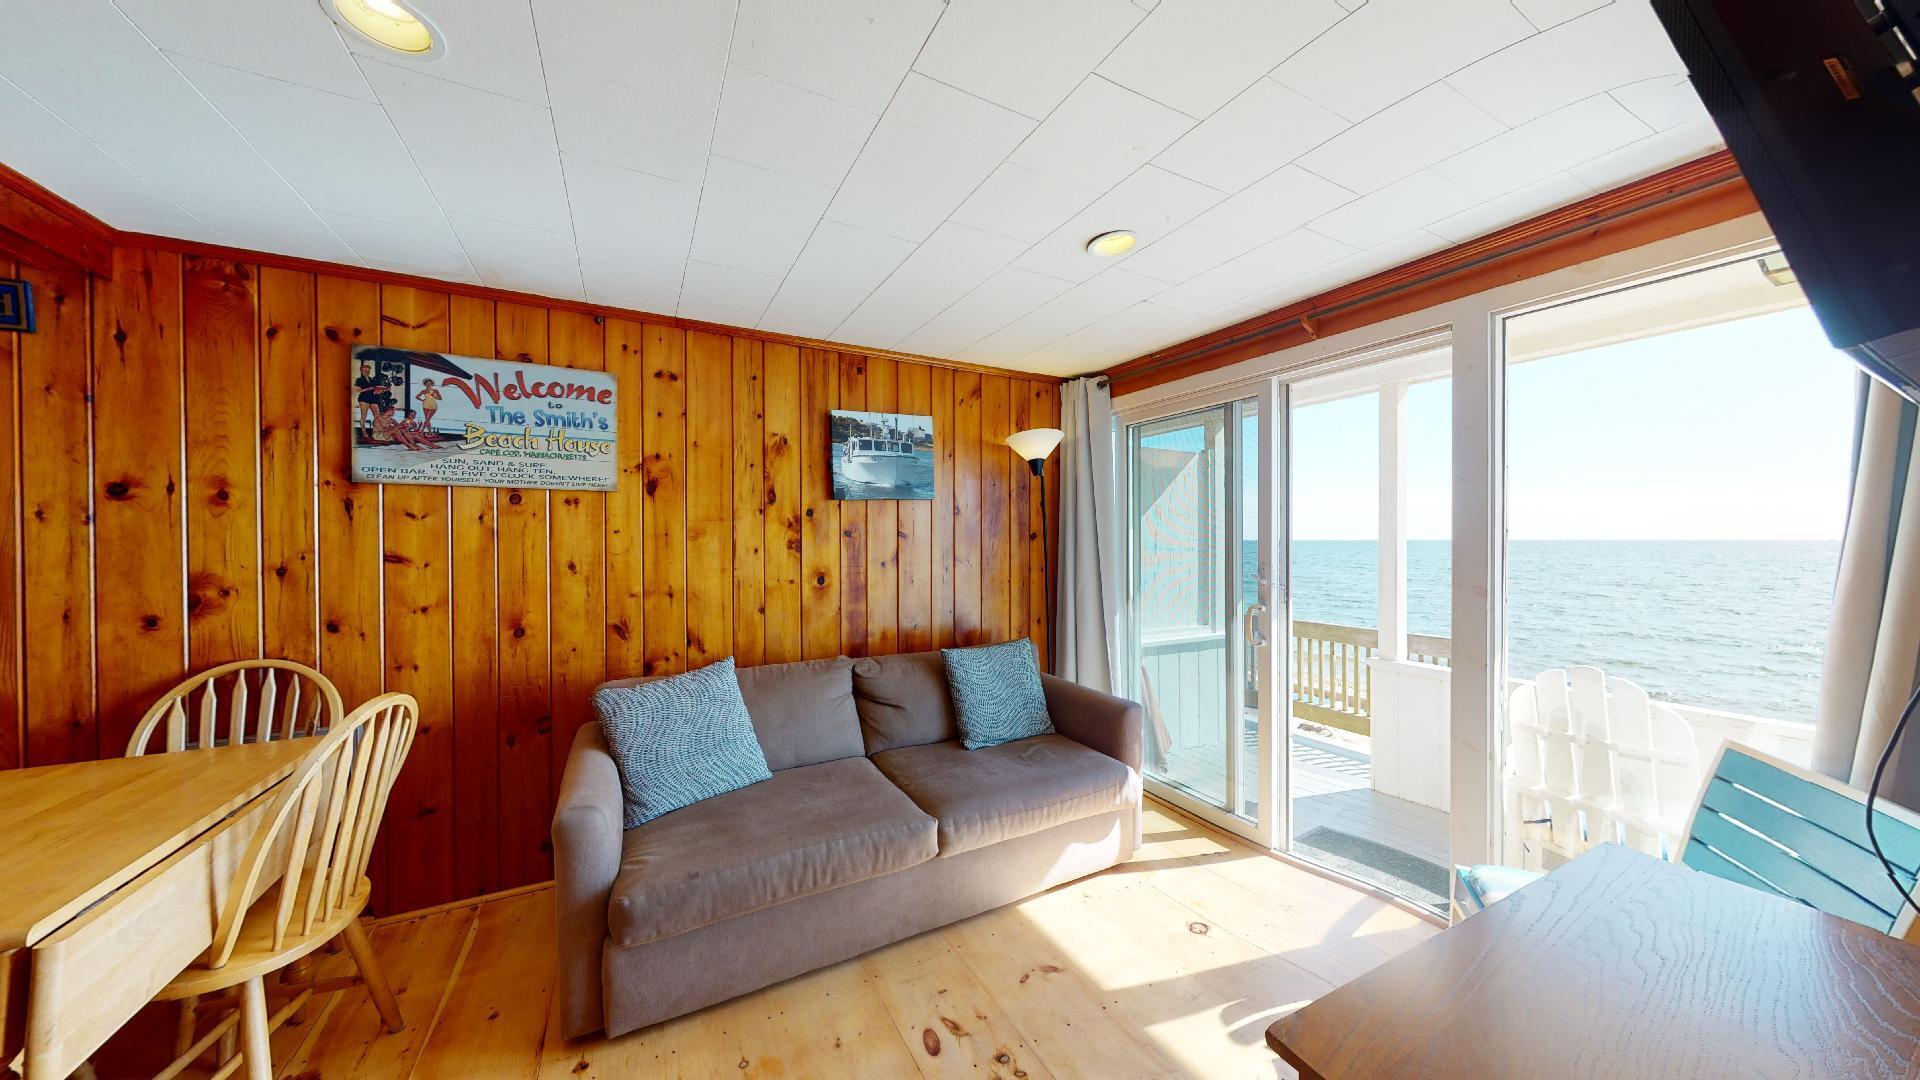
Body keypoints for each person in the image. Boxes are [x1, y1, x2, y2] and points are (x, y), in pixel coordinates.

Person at [354, 362, 384, 439]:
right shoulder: (359, 380)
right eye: (365, 371)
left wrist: (384, 389)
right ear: (361, 371)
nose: (366, 372)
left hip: (373, 398)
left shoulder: (372, 380)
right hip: (364, 399)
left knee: (377, 416)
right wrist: (368, 388)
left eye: (368, 371)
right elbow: (357, 390)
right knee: (364, 415)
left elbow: (377, 390)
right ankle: (364, 433)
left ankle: (376, 433)